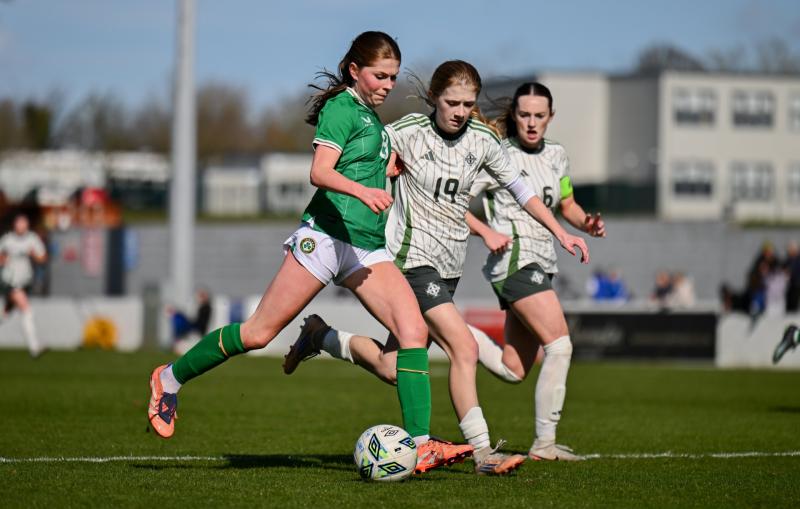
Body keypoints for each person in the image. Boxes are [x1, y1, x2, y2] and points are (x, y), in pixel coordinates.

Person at [146, 32, 471, 473]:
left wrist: (386, 168)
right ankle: (168, 379)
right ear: (355, 70)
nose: (387, 84)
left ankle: (420, 445)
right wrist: (363, 189)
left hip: (365, 247)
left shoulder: (372, 120)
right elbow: (320, 172)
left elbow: (363, 162)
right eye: (379, 75)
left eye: (393, 77)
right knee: (259, 333)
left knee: (413, 334)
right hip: (324, 239)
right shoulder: (342, 108)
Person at [283, 62, 590, 474]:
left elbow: (521, 190)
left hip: (448, 268)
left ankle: (322, 337)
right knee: (462, 347)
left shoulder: (482, 141)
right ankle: (483, 452)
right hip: (411, 262)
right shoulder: (406, 131)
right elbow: (357, 152)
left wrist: (561, 232)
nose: (461, 110)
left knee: (394, 368)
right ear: (433, 98)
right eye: (452, 102)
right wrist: (368, 181)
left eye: (468, 103)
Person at [463, 82, 606, 461]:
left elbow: (568, 204)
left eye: (539, 116)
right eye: (524, 115)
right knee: (560, 345)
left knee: (513, 369)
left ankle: (448, 329)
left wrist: (586, 223)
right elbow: (454, 199)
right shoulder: (499, 155)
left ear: (550, 117)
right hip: (515, 260)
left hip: (544, 263)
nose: (531, 122)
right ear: (514, 115)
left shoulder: (557, 155)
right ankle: (544, 444)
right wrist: (485, 230)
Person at [0, 214, 48, 358]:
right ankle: (34, 348)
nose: (21, 226)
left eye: (24, 224)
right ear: (15, 225)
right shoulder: (7, 240)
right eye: (19, 224)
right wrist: (3, 260)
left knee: (6, 311)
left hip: (25, 281)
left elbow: (43, 258)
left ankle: (34, 347)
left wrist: (34, 255)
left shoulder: (32, 239)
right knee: (27, 310)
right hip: (10, 281)